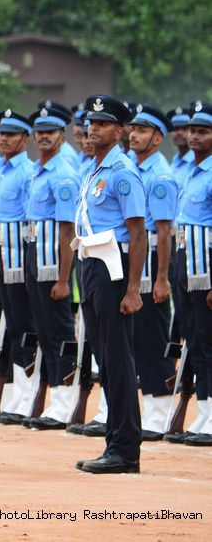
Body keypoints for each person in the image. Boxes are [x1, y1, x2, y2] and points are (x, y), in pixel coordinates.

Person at [73, 94, 147, 473]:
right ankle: (113, 442)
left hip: (113, 265)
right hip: (90, 261)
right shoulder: (94, 168)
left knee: (118, 359)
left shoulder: (122, 171)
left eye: (102, 124)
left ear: (119, 131)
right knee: (104, 356)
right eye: (91, 123)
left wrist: (133, 289)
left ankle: (125, 450)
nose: (93, 129)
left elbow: (138, 233)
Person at [22, 105, 79, 429]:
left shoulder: (63, 175)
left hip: (53, 262)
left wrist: (63, 279)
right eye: (40, 132)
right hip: (34, 257)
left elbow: (67, 231)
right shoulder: (36, 170)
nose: (44, 137)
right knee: (43, 331)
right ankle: (55, 397)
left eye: (51, 132)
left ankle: (65, 401)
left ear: (62, 136)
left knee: (59, 331)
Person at [127, 103, 177, 440]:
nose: (134, 135)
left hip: (152, 263)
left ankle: (160, 412)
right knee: (136, 339)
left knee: (153, 339)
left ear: (158, 138)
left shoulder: (159, 176)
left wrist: (162, 278)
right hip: (135, 262)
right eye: (133, 128)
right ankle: (149, 409)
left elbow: (163, 231)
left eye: (142, 130)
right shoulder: (132, 168)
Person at [0, 108, 38, 424]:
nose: (3, 139)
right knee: (14, 326)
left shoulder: (27, 172)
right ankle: (19, 392)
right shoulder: (2, 170)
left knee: (24, 324)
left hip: (20, 257)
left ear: (24, 139)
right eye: (1, 134)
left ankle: (30, 391)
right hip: (2, 254)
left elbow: (28, 224)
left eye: (11, 134)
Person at [173, 101, 212, 447]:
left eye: (203, 132)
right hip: (186, 263)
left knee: (210, 340)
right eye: (192, 131)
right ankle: (205, 409)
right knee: (195, 339)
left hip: (206, 267)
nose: (195, 136)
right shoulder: (189, 170)